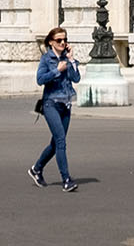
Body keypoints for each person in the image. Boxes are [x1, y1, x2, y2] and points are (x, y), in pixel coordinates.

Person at [28, 26, 79, 191]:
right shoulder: (46, 59)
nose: (63, 43)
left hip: (66, 103)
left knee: (56, 142)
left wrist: (71, 60)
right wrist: (57, 70)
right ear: (51, 42)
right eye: (59, 40)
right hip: (51, 103)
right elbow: (40, 79)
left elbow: (76, 78)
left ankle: (36, 168)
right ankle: (66, 179)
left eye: (65, 40)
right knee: (61, 141)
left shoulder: (66, 58)